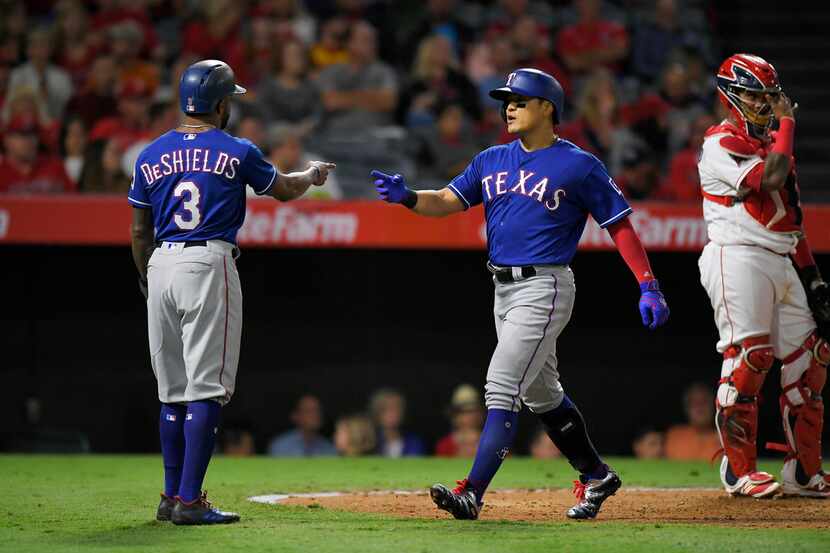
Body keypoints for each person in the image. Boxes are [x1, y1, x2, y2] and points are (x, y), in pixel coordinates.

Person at [371, 68, 669, 520]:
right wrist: (410, 196)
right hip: (502, 289)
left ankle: (472, 492)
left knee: (501, 383)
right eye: (505, 100)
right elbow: (448, 201)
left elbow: (620, 225)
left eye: (519, 100)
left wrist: (648, 284)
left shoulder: (579, 164)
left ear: (547, 107)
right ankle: (596, 474)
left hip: (545, 285)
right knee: (541, 394)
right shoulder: (491, 159)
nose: (508, 107)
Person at [129, 59, 334, 525]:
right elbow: (282, 190)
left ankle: (169, 496)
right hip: (208, 261)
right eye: (230, 100)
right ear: (220, 105)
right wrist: (312, 174)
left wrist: (147, 278)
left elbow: (139, 232)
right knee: (205, 389)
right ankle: (189, 501)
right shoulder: (236, 149)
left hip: (160, 262)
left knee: (172, 392)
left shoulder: (149, 154)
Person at [697, 53, 830, 498]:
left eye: (769, 96)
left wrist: (812, 276)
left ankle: (803, 472)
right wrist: (788, 124)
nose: (763, 103)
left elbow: (791, 217)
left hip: (782, 256)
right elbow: (769, 180)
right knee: (749, 359)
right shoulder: (720, 141)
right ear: (731, 96)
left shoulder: (775, 144)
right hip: (737, 253)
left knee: (812, 361)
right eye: (754, 94)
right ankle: (738, 471)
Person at [0, 114, 74, 194]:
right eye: (22, 135)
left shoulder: (55, 166)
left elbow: (74, 199)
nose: (28, 141)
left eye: (33, 135)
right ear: (6, 140)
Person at [664, 383, 720, 461]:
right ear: (687, 409)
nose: (700, 406)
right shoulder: (674, 435)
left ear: (714, 406)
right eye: (694, 402)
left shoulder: (725, 439)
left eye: (704, 401)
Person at [267, 395, 337, 457]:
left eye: (317, 410)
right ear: (295, 416)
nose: (315, 415)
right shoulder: (280, 446)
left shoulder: (328, 448)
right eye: (308, 411)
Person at [368, 388, 426, 457]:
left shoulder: (414, 443)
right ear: (377, 411)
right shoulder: (369, 441)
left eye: (397, 407)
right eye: (387, 408)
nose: (393, 413)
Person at [435, 384, 485, 457]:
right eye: (465, 412)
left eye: (474, 411)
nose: (471, 416)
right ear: (455, 416)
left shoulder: (493, 442)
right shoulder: (445, 445)